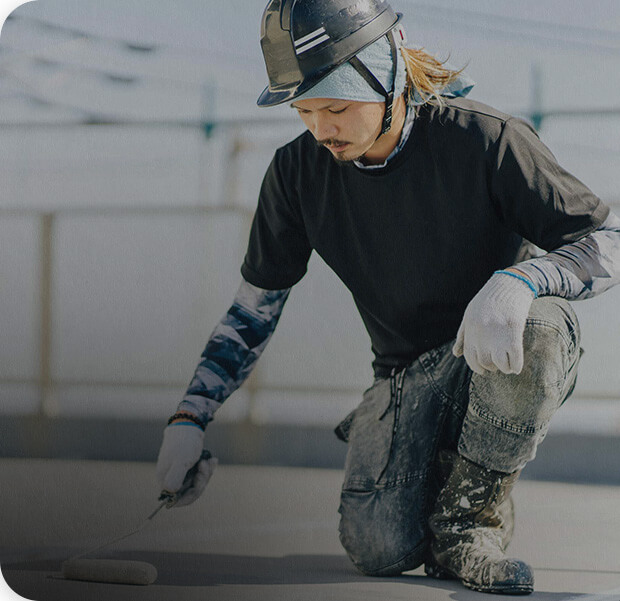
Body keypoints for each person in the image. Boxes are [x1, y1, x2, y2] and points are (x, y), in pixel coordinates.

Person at [156, 0, 620, 594]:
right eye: (304, 111)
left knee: (542, 329)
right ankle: (436, 477)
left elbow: (607, 240)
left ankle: (466, 523)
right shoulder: (296, 174)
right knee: (379, 547)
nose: (321, 129)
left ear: (389, 73)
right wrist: (189, 418)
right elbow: (253, 311)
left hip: (491, 358)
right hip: (404, 381)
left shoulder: (485, 141)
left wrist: (524, 279)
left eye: (337, 107)